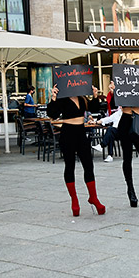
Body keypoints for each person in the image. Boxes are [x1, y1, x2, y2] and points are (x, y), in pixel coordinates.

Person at [47, 85, 105, 216]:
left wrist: (95, 95)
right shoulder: (63, 98)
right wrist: (53, 98)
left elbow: (94, 108)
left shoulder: (82, 98)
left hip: (81, 132)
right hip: (68, 133)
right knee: (70, 165)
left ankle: (93, 197)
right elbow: (53, 114)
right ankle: (74, 199)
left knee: (88, 165)